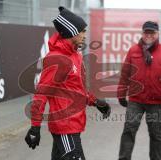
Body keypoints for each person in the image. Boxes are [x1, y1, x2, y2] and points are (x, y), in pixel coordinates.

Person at [24, 6, 111, 160]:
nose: (85, 35)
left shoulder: (76, 56)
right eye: (82, 31)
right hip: (65, 126)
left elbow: (77, 89)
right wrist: (35, 127)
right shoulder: (57, 59)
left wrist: (96, 102)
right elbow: (42, 93)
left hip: (74, 123)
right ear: (71, 32)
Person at [117, 21, 161, 160]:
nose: (149, 35)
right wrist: (121, 94)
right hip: (136, 100)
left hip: (156, 102)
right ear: (142, 33)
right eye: (146, 32)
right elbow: (125, 73)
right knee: (129, 131)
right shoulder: (133, 51)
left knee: (155, 134)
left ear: (157, 34)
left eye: (152, 33)